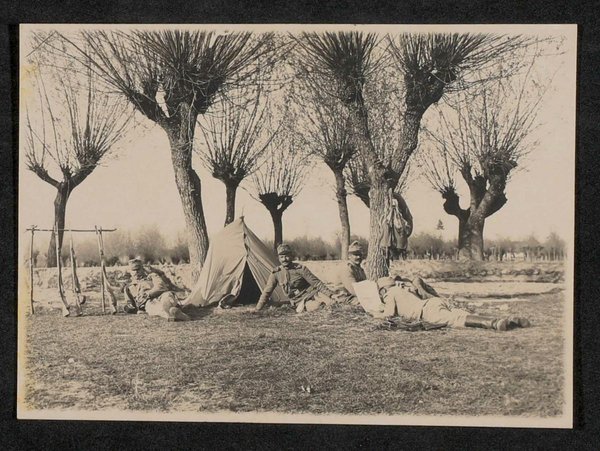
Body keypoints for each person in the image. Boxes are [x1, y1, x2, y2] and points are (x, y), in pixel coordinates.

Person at [375, 276, 531, 331]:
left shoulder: (390, 294)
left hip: (426, 311)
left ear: (383, 290)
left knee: (456, 320)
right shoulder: (404, 289)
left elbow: (389, 314)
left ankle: (493, 323)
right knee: (461, 314)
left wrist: (377, 314)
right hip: (433, 302)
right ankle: (509, 321)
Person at [254, 243, 339, 313]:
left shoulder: (300, 269)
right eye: (281, 257)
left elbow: (317, 283)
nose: (284, 259)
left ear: (291, 256)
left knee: (333, 303)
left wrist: (331, 294)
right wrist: (258, 309)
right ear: (278, 258)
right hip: (301, 301)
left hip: (314, 294)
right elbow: (267, 291)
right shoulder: (276, 273)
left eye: (286, 256)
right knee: (317, 306)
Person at [124, 258, 190, 322]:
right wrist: (131, 308)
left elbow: (161, 287)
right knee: (153, 307)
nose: (136, 272)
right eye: (133, 270)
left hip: (161, 295)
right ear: (130, 271)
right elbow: (130, 305)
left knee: (167, 297)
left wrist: (148, 293)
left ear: (142, 269)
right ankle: (174, 314)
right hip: (148, 302)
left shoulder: (152, 277)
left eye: (138, 269)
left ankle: (172, 313)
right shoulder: (129, 287)